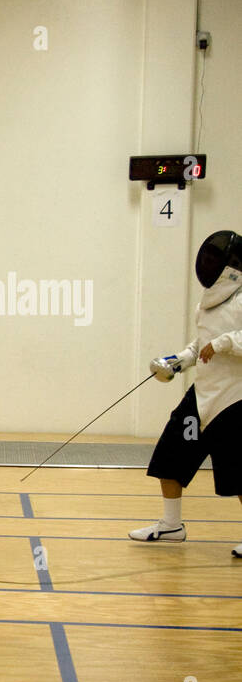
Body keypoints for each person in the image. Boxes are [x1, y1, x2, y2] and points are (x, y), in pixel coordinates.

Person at [129, 229, 242, 557]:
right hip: (201, 396)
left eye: (212, 259)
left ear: (229, 266)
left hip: (233, 400)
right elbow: (200, 343)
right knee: (170, 455)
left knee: (239, 473)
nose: (206, 263)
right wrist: (179, 361)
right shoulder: (206, 304)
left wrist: (225, 343)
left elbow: (223, 341)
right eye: (205, 258)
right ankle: (171, 526)